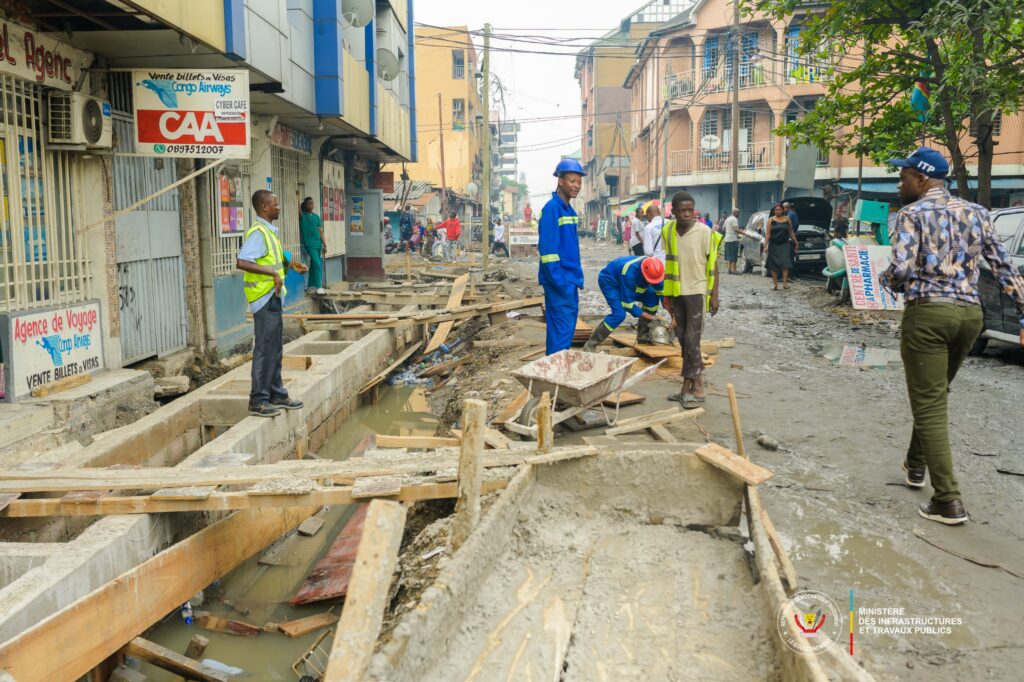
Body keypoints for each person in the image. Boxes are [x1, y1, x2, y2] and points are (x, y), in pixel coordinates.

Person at [880, 147, 1024, 525]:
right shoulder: (978, 213)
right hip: (970, 317)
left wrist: (887, 280)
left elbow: (900, 269)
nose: (900, 183)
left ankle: (947, 499)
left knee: (929, 403)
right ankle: (915, 465)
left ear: (922, 179)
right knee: (935, 395)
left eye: (904, 176)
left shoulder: (911, 214)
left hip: (928, 314)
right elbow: (1004, 268)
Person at [236, 190, 307, 417]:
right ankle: (258, 400)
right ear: (265, 207)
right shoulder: (258, 233)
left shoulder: (269, 232)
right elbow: (243, 261)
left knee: (275, 349)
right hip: (264, 297)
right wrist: (272, 274)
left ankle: (276, 393)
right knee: (265, 349)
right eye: (275, 204)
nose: (279, 207)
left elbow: (274, 260)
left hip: (274, 296)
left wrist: (291, 265)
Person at [661, 191, 722, 409]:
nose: (687, 214)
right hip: (677, 290)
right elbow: (667, 262)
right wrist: (666, 295)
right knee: (682, 338)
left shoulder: (704, 232)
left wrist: (714, 295)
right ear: (674, 212)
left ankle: (686, 389)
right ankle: (698, 385)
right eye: (682, 211)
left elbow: (713, 264)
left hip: (697, 291)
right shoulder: (668, 230)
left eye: (690, 210)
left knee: (692, 339)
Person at [538, 158, 585, 355]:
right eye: (572, 181)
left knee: (564, 331)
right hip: (560, 281)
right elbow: (548, 253)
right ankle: (556, 373)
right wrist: (561, 282)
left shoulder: (568, 210)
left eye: (579, 182)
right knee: (561, 332)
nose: (576, 186)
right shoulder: (552, 209)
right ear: (561, 181)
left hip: (569, 280)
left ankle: (555, 371)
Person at [584, 257, 665, 351]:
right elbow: (628, 304)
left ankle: (643, 338)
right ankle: (591, 344)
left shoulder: (657, 273)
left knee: (652, 301)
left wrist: (674, 316)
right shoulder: (629, 273)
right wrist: (651, 317)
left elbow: (663, 295)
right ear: (643, 272)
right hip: (611, 282)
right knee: (619, 314)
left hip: (634, 284)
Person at [765, 203, 797, 290]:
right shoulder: (770, 220)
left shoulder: (787, 219)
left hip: (785, 244)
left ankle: (785, 284)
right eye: (776, 210)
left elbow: (791, 231)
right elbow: (767, 234)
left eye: (779, 209)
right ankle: (775, 284)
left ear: (783, 210)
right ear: (774, 211)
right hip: (774, 244)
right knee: (773, 264)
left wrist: (795, 241)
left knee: (785, 263)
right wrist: (765, 245)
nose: (778, 211)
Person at [299, 196, 326, 294]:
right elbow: (298, 210)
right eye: (309, 203)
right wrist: (297, 196)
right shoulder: (303, 216)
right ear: (305, 205)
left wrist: (325, 244)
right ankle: (319, 286)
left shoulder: (316, 217)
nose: (311, 205)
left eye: (312, 203)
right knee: (317, 264)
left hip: (318, 243)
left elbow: (321, 231)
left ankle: (310, 286)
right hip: (309, 244)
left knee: (314, 265)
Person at [723, 207, 742, 275]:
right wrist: (744, 233)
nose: (739, 214)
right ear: (735, 213)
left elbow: (724, 229)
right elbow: (736, 229)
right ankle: (734, 270)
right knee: (734, 255)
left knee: (729, 255)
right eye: (738, 213)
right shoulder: (734, 219)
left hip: (727, 239)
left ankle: (729, 270)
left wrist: (728, 232)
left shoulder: (727, 219)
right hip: (733, 239)